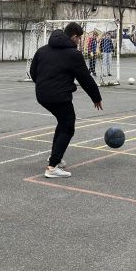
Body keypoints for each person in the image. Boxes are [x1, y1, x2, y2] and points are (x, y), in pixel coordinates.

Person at [29, 22, 103, 178]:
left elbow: (32, 71)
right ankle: (52, 167)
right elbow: (85, 78)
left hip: (42, 95)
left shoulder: (42, 50)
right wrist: (96, 97)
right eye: (79, 39)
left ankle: (55, 157)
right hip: (59, 96)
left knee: (63, 122)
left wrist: (42, 85)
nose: (79, 42)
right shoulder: (73, 54)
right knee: (68, 125)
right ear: (74, 36)